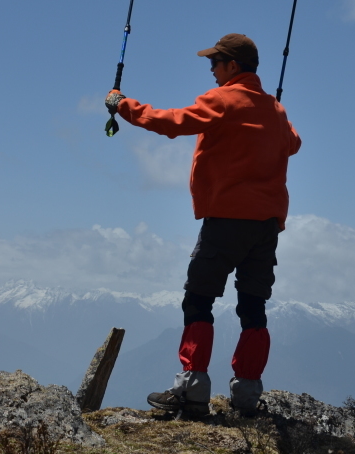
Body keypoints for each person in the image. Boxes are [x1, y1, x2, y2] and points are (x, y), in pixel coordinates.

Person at [105, 33, 301, 419]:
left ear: (232, 66)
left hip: (227, 220)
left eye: (215, 63)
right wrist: (267, 116)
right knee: (253, 305)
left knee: (199, 299)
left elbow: (172, 122)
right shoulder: (274, 110)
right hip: (265, 226)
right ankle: (247, 395)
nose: (211, 70)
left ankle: (193, 389)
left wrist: (123, 106)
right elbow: (293, 143)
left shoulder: (223, 100)